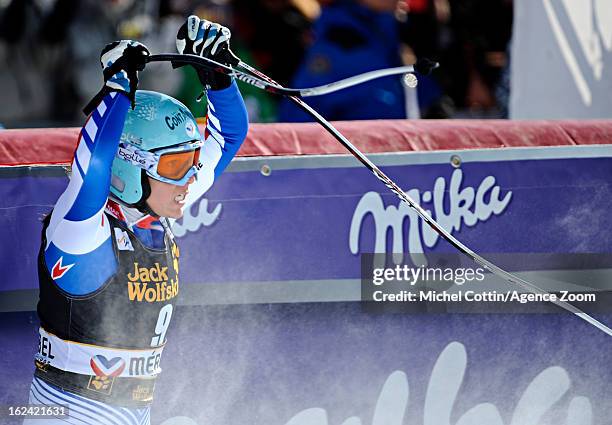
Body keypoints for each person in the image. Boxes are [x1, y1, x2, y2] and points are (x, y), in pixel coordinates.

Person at [25, 16, 248, 425]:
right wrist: (115, 90)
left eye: (193, 161)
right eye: (178, 163)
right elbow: (93, 167)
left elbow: (230, 136)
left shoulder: (155, 205)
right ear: (129, 167)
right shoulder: (81, 230)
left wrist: (216, 75)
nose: (191, 178)